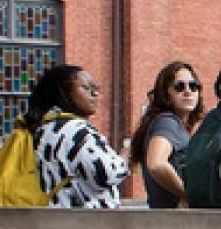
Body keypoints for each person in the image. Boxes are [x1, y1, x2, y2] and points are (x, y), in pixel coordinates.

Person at [27, 64, 129, 209]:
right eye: (87, 88)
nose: (95, 94)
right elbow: (106, 174)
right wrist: (126, 155)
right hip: (83, 224)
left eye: (96, 88)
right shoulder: (76, 130)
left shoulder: (41, 128)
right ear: (64, 93)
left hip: (52, 219)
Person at [128, 61, 206, 209]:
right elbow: (156, 164)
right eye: (179, 87)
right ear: (166, 94)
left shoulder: (175, 124)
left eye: (193, 86)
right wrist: (186, 194)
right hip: (172, 218)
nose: (188, 91)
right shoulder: (167, 122)